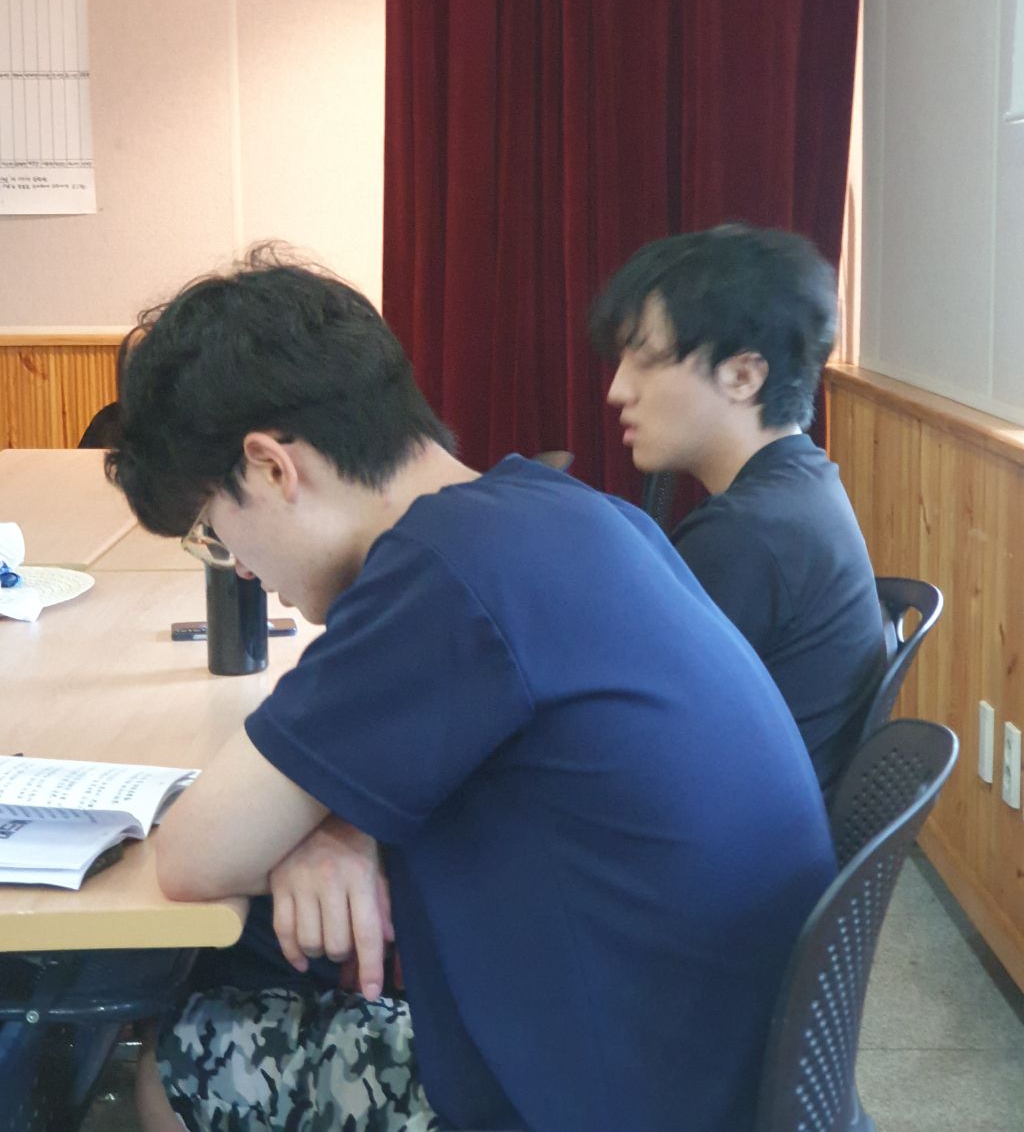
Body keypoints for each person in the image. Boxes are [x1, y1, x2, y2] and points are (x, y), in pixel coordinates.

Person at [107, 247, 835, 1132]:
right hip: (701, 1063)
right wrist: (326, 822)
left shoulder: (438, 573)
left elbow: (192, 858)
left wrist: (300, 821)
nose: (246, 570)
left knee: (183, 1056)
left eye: (218, 532)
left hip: (600, 1096)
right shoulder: (547, 509)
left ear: (270, 468)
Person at [590, 223, 885, 798]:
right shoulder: (803, 483)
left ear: (744, 375)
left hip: (738, 838)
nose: (618, 390)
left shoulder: (748, 535)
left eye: (645, 360)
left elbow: (628, 736)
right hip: (769, 816)